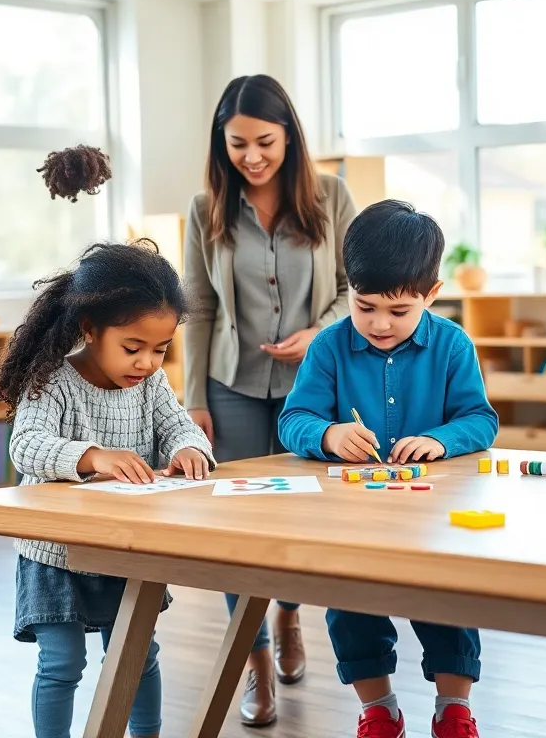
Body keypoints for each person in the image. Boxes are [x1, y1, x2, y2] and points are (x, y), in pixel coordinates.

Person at [0, 145, 216, 738]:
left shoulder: (151, 385)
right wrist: (91, 457)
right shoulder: (53, 381)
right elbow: (26, 446)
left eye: (159, 349)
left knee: (139, 655)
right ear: (90, 329)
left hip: (125, 547)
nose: (146, 362)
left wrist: (190, 447)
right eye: (132, 347)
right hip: (55, 553)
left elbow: (176, 425)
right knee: (61, 664)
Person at [278, 199, 499, 738]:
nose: (380, 324)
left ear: (432, 294)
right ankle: (378, 709)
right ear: (349, 289)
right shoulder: (329, 346)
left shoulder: (452, 344)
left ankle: (454, 707)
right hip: (353, 516)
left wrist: (439, 440)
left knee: (447, 600)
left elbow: (480, 419)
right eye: (365, 305)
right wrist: (327, 433)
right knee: (351, 604)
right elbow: (294, 419)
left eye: (399, 312)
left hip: (434, 514)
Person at [183, 73, 358, 725]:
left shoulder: (332, 196)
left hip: (312, 391)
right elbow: (196, 305)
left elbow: (352, 285)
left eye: (264, 142)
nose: (251, 157)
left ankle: (286, 613)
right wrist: (191, 395)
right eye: (237, 144)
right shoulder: (205, 209)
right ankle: (254, 662)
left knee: (302, 522)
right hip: (230, 387)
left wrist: (320, 333)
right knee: (237, 531)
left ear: (289, 136)